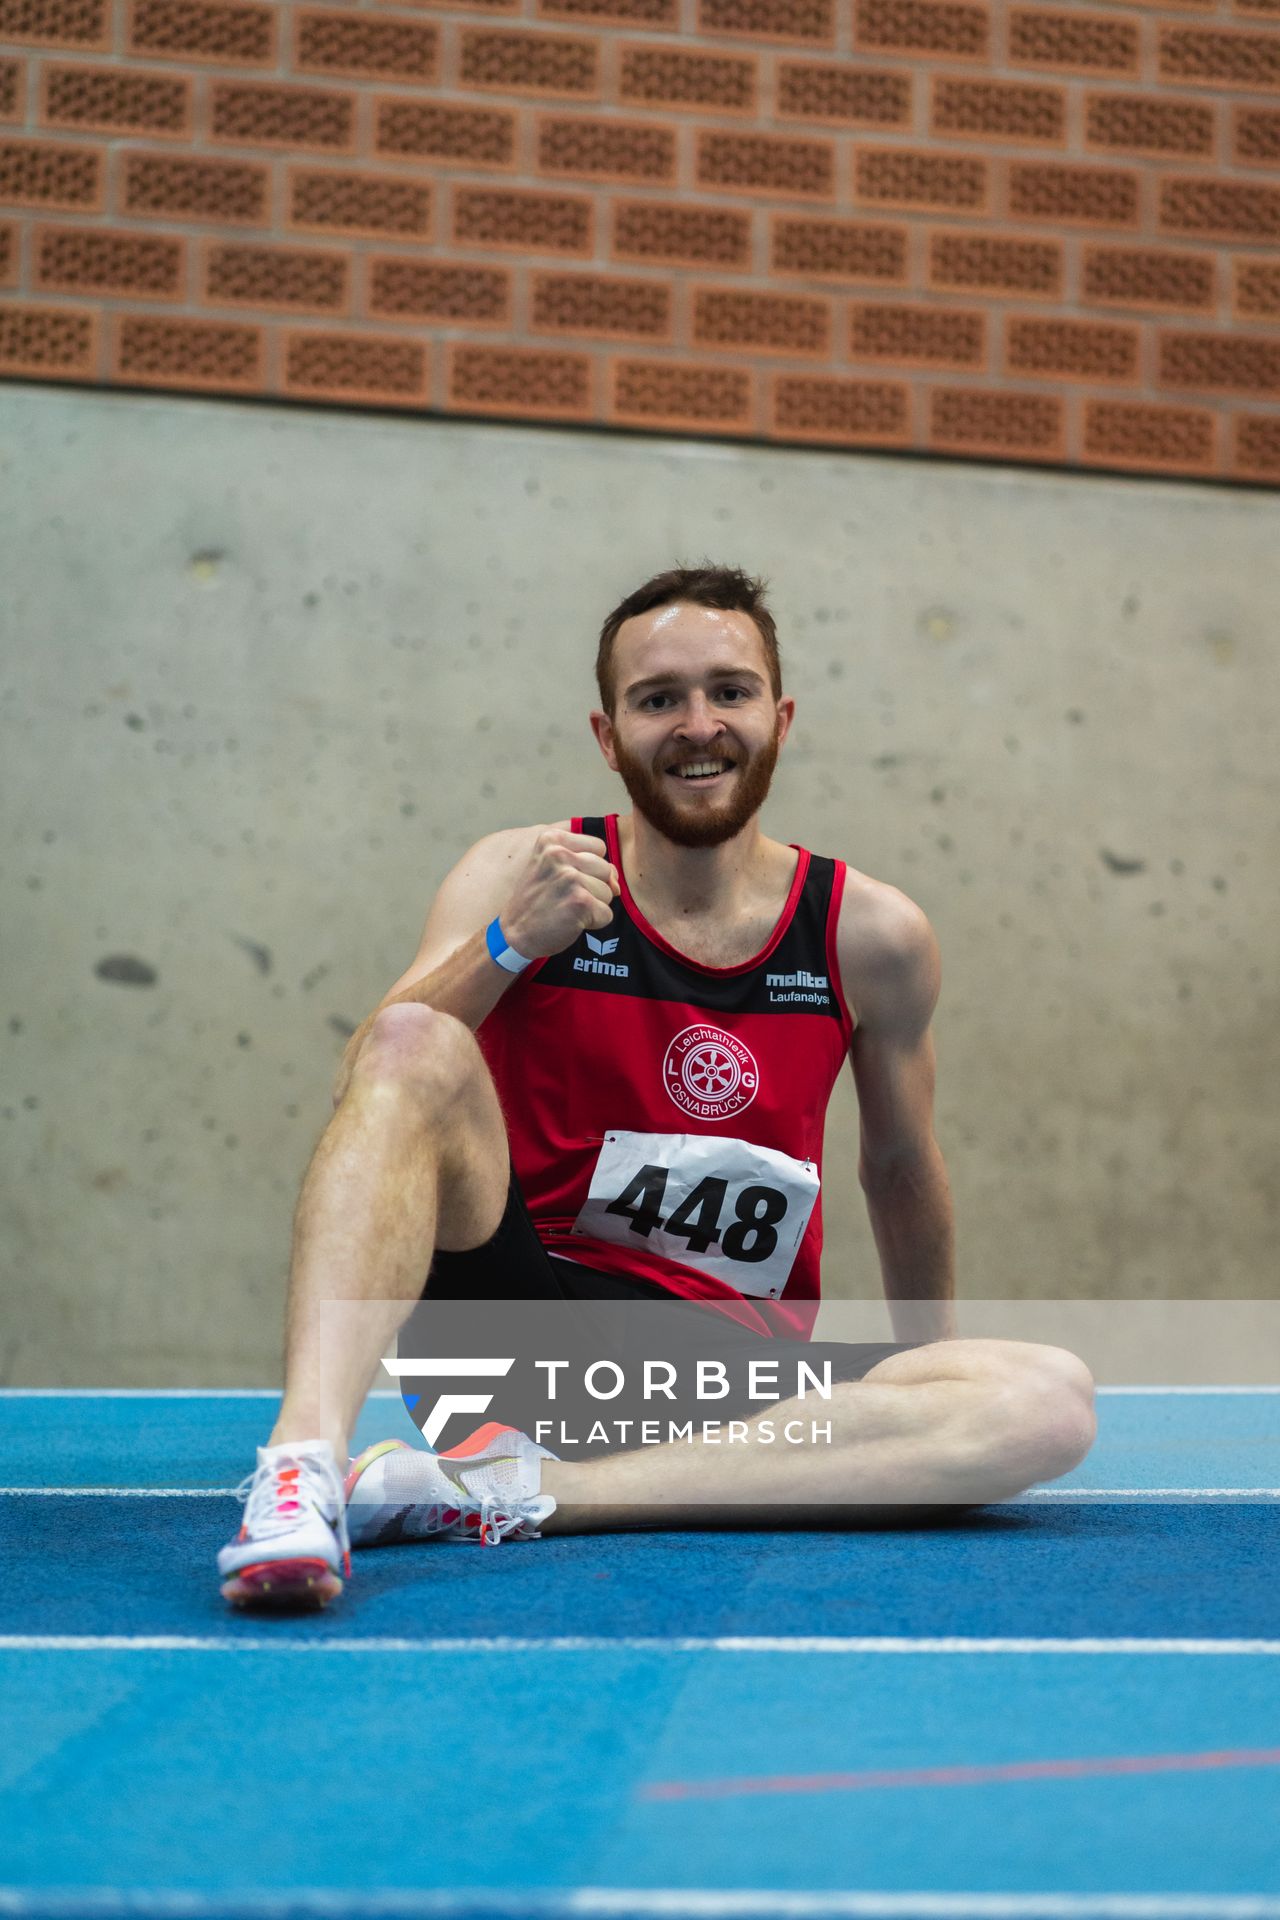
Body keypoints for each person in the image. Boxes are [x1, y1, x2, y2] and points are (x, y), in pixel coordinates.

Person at [218, 565, 1096, 1609]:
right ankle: (302, 1468)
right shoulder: (523, 871)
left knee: (1046, 1402)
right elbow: (377, 1069)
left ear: (779, 719)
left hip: (725, 1385)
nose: (696, 724)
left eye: (727, 691)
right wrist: (511, 942)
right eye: (657, 699)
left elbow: (900, 1166)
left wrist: (923, 1389)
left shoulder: (870, 934)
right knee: (419, 1034)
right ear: (607, 735)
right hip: (510, 1341)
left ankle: (538, 1496)